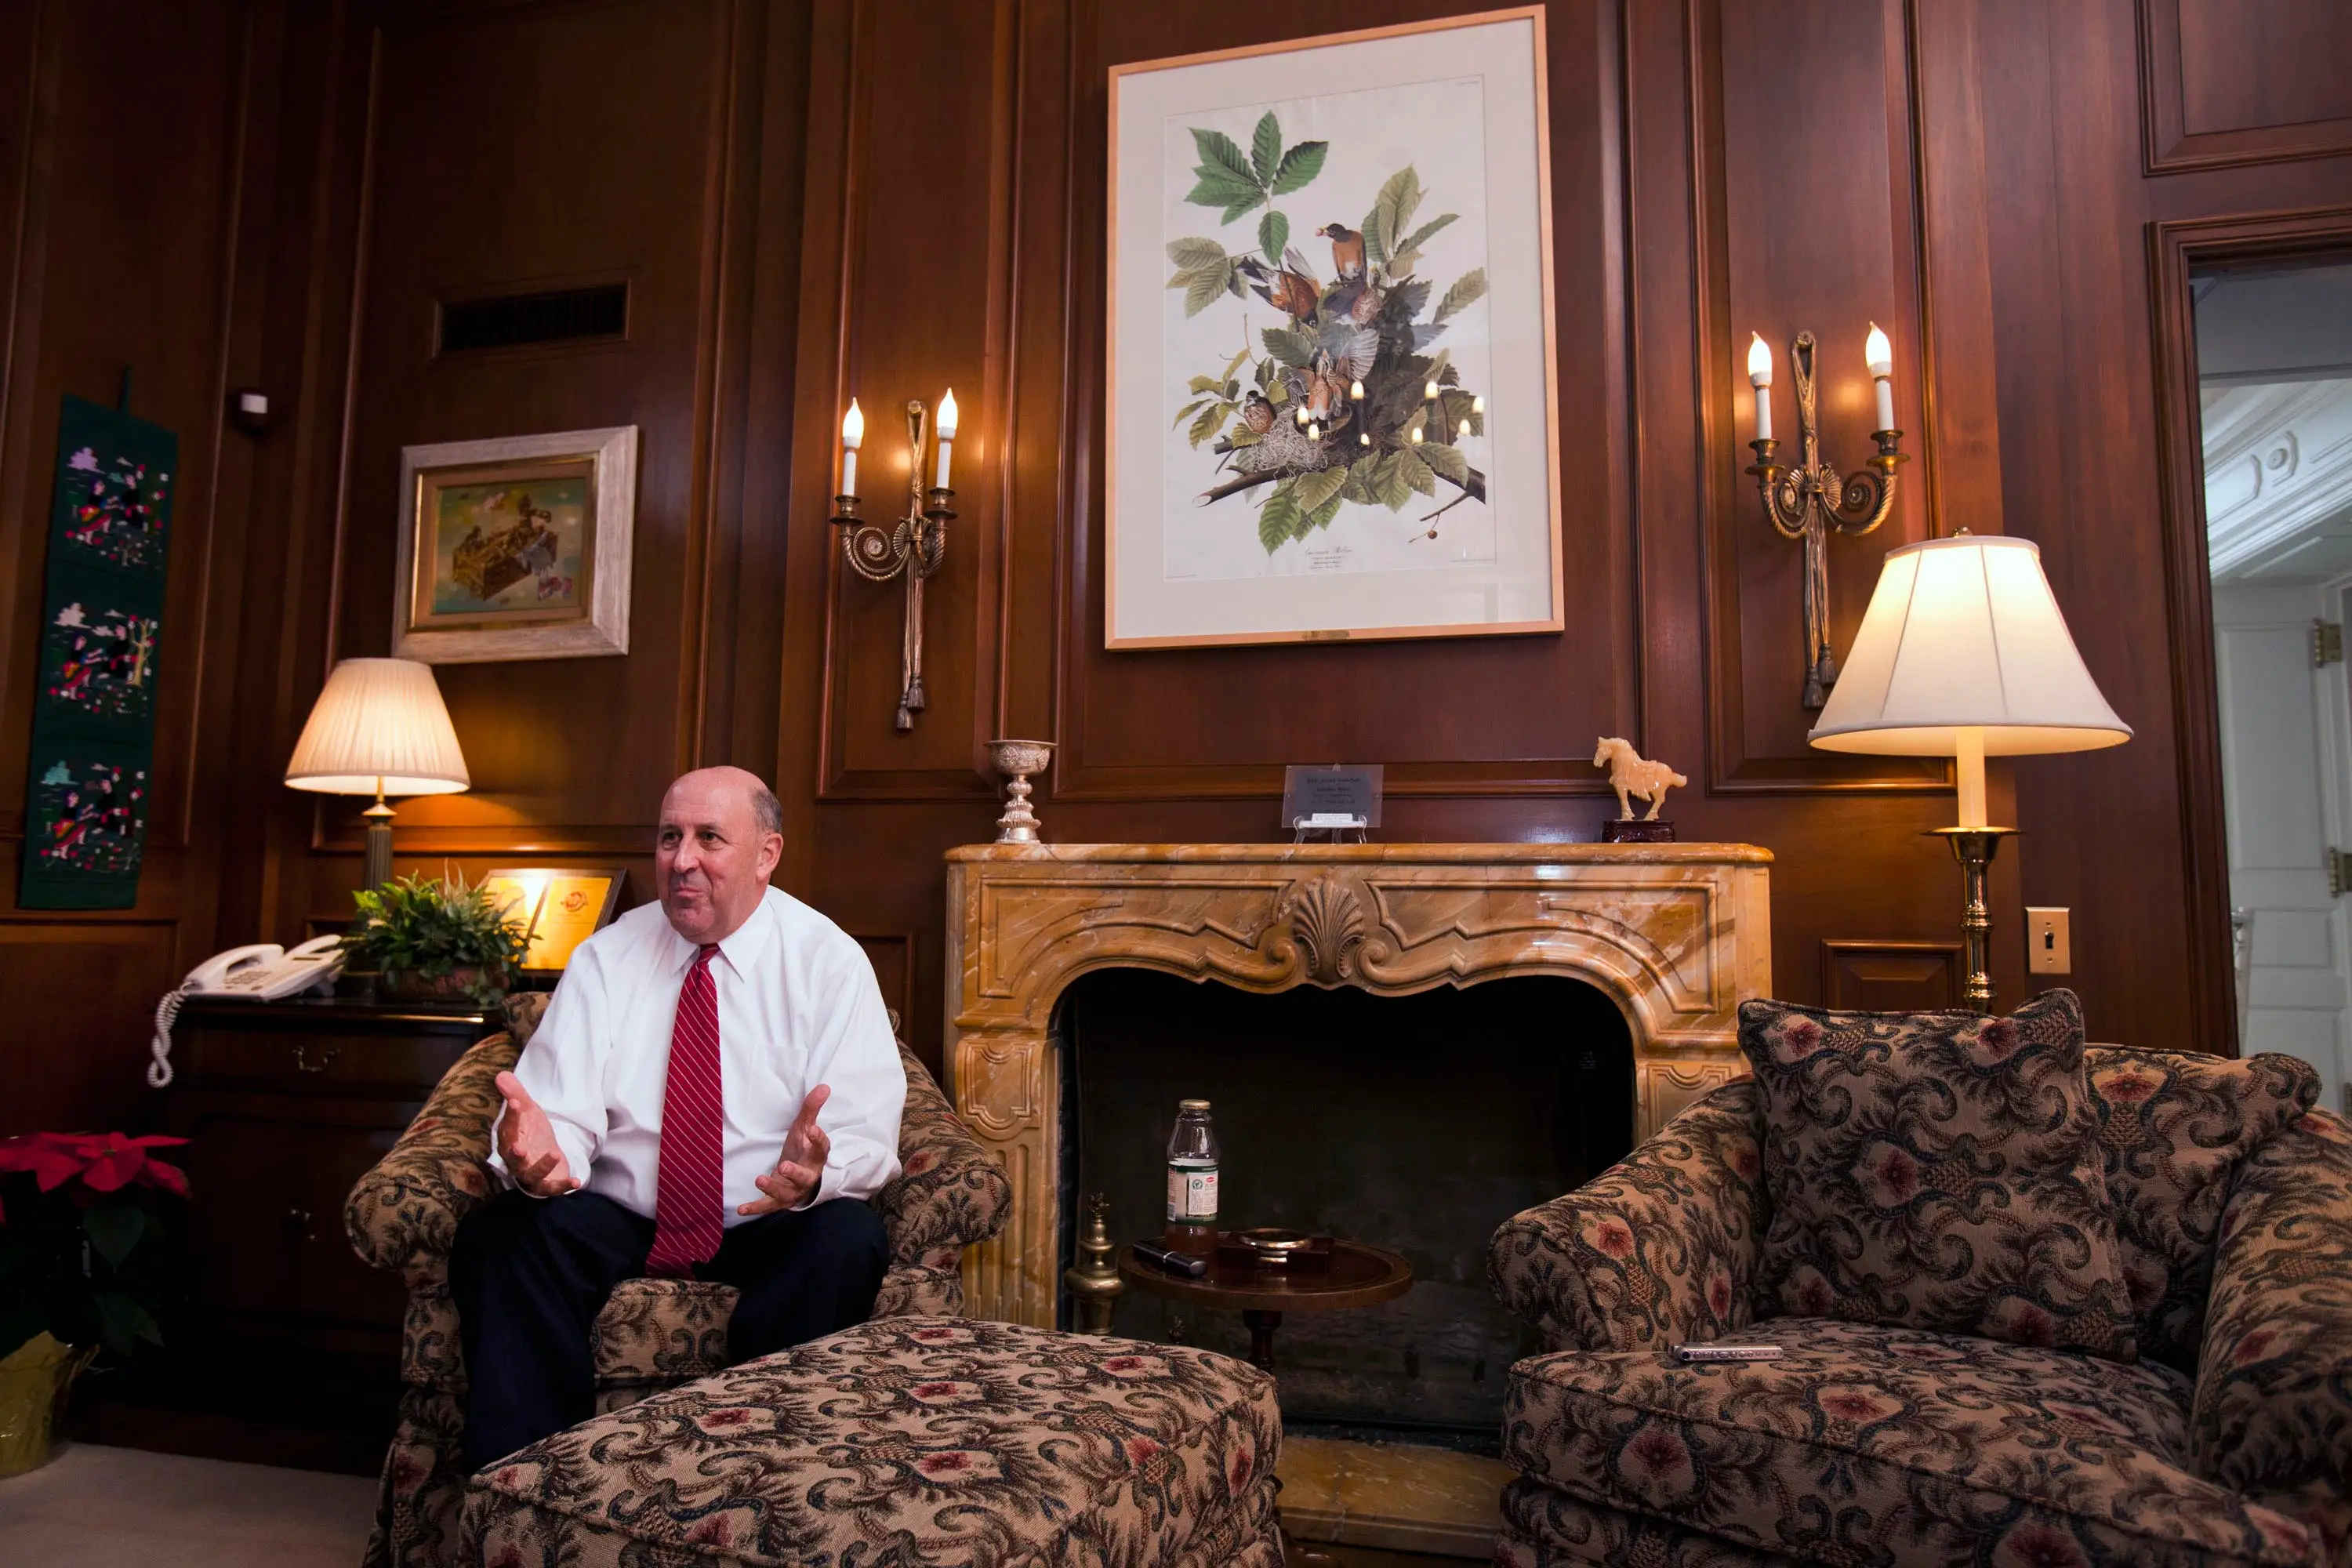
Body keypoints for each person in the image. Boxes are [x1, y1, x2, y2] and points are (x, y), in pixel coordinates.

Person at [449, 766, 904, 1471]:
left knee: (847, 1238)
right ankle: (527, 1491)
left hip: (765, 1213)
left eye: (709, 839)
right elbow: (557, 1114)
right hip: (625, 1213)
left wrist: (814, 1175)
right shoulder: (606, 957)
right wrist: (542, 1162)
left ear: (767, 855)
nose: (681, 860)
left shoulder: (828, 963)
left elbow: (864, 1132)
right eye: (669, 837)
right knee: (502, 1234)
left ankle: (761, 1475)